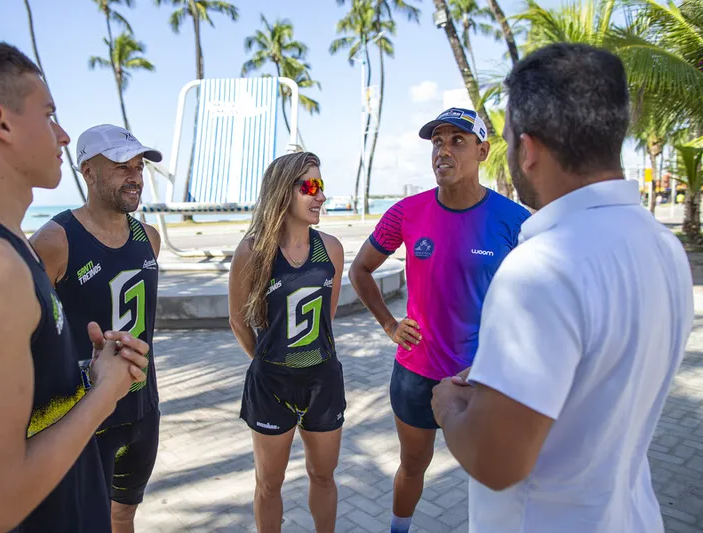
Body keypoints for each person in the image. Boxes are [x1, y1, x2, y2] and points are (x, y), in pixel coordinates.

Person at [431, 43, 694, 533]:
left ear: (528, 149)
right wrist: (496, 375)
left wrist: (448, 406)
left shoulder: (538, 269)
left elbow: (496, 462)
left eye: (509, 141)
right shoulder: (665, 247)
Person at [0, 38, 149, 532]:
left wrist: (85, 374)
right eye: (49, 115)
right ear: (1, 122)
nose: (63, 135)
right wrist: (105, 393)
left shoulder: (2, 242)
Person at [349, 107, 530, 532]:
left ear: (483, 151)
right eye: (437, 142)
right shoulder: (407, 212)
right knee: (413, 466)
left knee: (491, 475)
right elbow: (360, 270)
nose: (443, 151)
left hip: (482, 376)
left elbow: (534, 301)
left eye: (457, 141)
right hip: (415, 372)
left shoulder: (515, 221)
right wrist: (390, 325)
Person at [30, 124, 163, 533]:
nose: (135, 176)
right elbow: (24, 338)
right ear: (87, 171)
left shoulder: (150, 238)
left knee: (123, 516)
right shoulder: (54, 241)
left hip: (143, 410)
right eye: (122, 166)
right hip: (84, 419)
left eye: (139, 166)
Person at [228, 152, 346, 533]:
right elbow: (238, 321)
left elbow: (327, 318)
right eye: (310, 186)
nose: (320, 196)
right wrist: (267, 360)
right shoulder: (252, 252)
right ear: (283, 191)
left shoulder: (331, 249)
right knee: (268, 483)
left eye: (321, 186)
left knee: (323, 476)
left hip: (322, 382)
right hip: (271, 386)